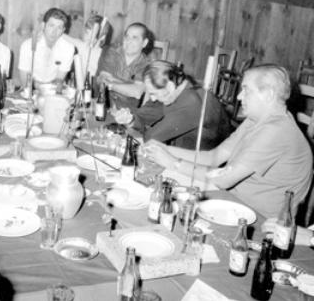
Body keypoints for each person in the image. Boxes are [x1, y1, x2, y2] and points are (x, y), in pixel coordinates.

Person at [145, 64, 313, 218]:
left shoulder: (276, 130)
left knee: (164, 208)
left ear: (268, 95)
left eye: (246, 90)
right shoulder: (257, 119)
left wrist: (173, 163)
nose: (239, 96)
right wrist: (163, 149)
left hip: (259, 220)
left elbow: (225, 180)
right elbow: (214, 157)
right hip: (234, 202)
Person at [137, 61, 231, 150]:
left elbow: (151, 138)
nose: (153, 99)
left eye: (154, 93)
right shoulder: (181, 88)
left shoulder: (190, 102)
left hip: (201, 161)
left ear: (170, 86)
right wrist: (132, 120)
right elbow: (150, 113)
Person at [96, 22, 153, 108]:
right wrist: (130, 84)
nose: (128, 41)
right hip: (103, 106)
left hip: (127, 112)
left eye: (135, 38)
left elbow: (137, 92)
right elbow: (103, 79)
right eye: (127, 36)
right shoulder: (111, 52)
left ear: (144, 43)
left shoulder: (146, 65)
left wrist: (111, 84)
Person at [18, 7, 76, 86]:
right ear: (43, 25)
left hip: (54, 92)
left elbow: (59, 80)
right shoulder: (28, 45)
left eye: (59, 28)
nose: (54, 31)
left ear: (63, 30)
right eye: (51, 26)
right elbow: (24, 80)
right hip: (31, 90)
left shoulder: (68, 48)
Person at [74, 14, 113, 83]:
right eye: (86, 32)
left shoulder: (104, 55)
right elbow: (62, 36)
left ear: (103, 37)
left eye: (92, 34)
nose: (87, 37)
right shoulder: (82, 46)